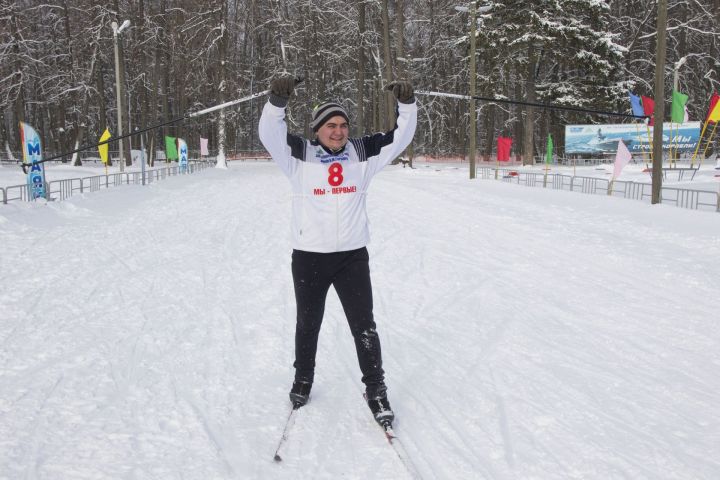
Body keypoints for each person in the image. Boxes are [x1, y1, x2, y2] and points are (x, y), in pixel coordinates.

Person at [258, 75, 417, 426]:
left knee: (364, 326)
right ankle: (303, 379)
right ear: (317, 129)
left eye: (343, 125)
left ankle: (376, 390)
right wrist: (277, 102)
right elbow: (270, 134)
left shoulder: (362, 154)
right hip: (309, 256)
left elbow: (399, 137)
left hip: (351, 257)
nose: (338, 131)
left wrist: (406, 105)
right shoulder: (299, 155)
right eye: (331, 125)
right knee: (308, 323)